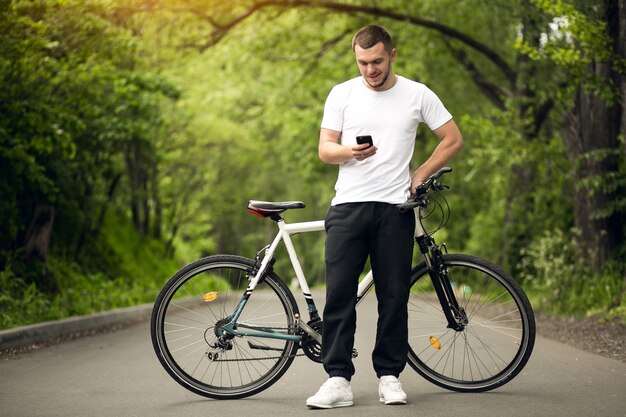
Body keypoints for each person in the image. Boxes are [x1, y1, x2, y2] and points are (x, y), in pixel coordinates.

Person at [305, 25, 464, 409]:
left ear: (392, 54)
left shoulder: (417, 94)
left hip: (395, 209)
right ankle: (338, 380)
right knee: (340, 293)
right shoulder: (342, 93)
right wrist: (349, 153)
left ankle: (389, 376)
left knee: (394, 294)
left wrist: (420, 173)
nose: (370, 70)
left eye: (376, 61)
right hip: (348, 207)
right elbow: (325, 149)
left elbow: (453, 138)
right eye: (362, 62)